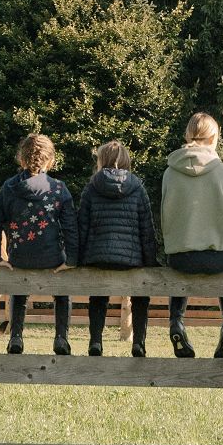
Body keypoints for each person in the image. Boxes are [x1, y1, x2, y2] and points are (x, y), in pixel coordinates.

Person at [0, 133, 79, 355]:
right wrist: (72, 259)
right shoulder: (58, 189)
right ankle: (60, 338)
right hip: (53, 257)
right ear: (50, 160)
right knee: (62, 292)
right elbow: (70, 226)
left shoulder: (9, 188)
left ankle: (16, 337)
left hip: (19, 257)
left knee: (19, 293)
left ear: (21, 159)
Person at [160, 112, 223, 358]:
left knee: (180, 266)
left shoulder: (170, 172)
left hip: (180, 257)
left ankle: (176, 321)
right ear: (214, 137)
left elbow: (165, 216)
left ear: (187, 135)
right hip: (218, 257)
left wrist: (174, 245)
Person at [77, 140, 158, 357]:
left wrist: (78, 258)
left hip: (98, 255)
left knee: (98, 296)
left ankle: (95, 341)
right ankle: (139, 342)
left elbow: (81, 226)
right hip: (131, 259)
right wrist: (150, 261)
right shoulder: (138, 187)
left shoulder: (92, 187)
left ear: (101, 161)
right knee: (141, 296)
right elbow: (146, 228)